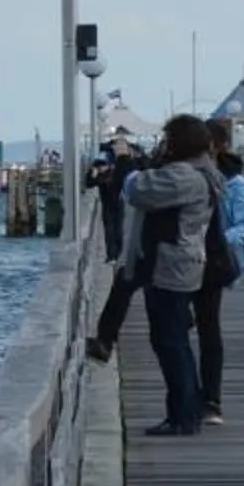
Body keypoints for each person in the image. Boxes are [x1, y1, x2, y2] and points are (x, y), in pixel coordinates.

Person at [121, 115, 218, 436]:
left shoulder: (183, 177)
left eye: (167, 140)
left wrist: (132, 170)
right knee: (174, 340)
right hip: (186, 261)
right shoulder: (207, 172)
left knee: (171, 342)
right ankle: (185, 411)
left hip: (172, 265)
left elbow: (137, 189)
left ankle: (183, 415)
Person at [206, 148, 244, 423]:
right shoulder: (211, 183)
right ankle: (202, 398)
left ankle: (209, 400)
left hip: (213, 265)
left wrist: (219, 243)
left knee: (208, 328)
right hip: (193, 264)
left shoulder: (235, 187)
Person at [83, 140, 147, 363]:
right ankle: (104, 341)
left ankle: (105, 341)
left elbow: (130, 186)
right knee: (124, 287)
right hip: (161, 250)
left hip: (160, 250)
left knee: (124, 288)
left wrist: (123, 161)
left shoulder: (152, 173)